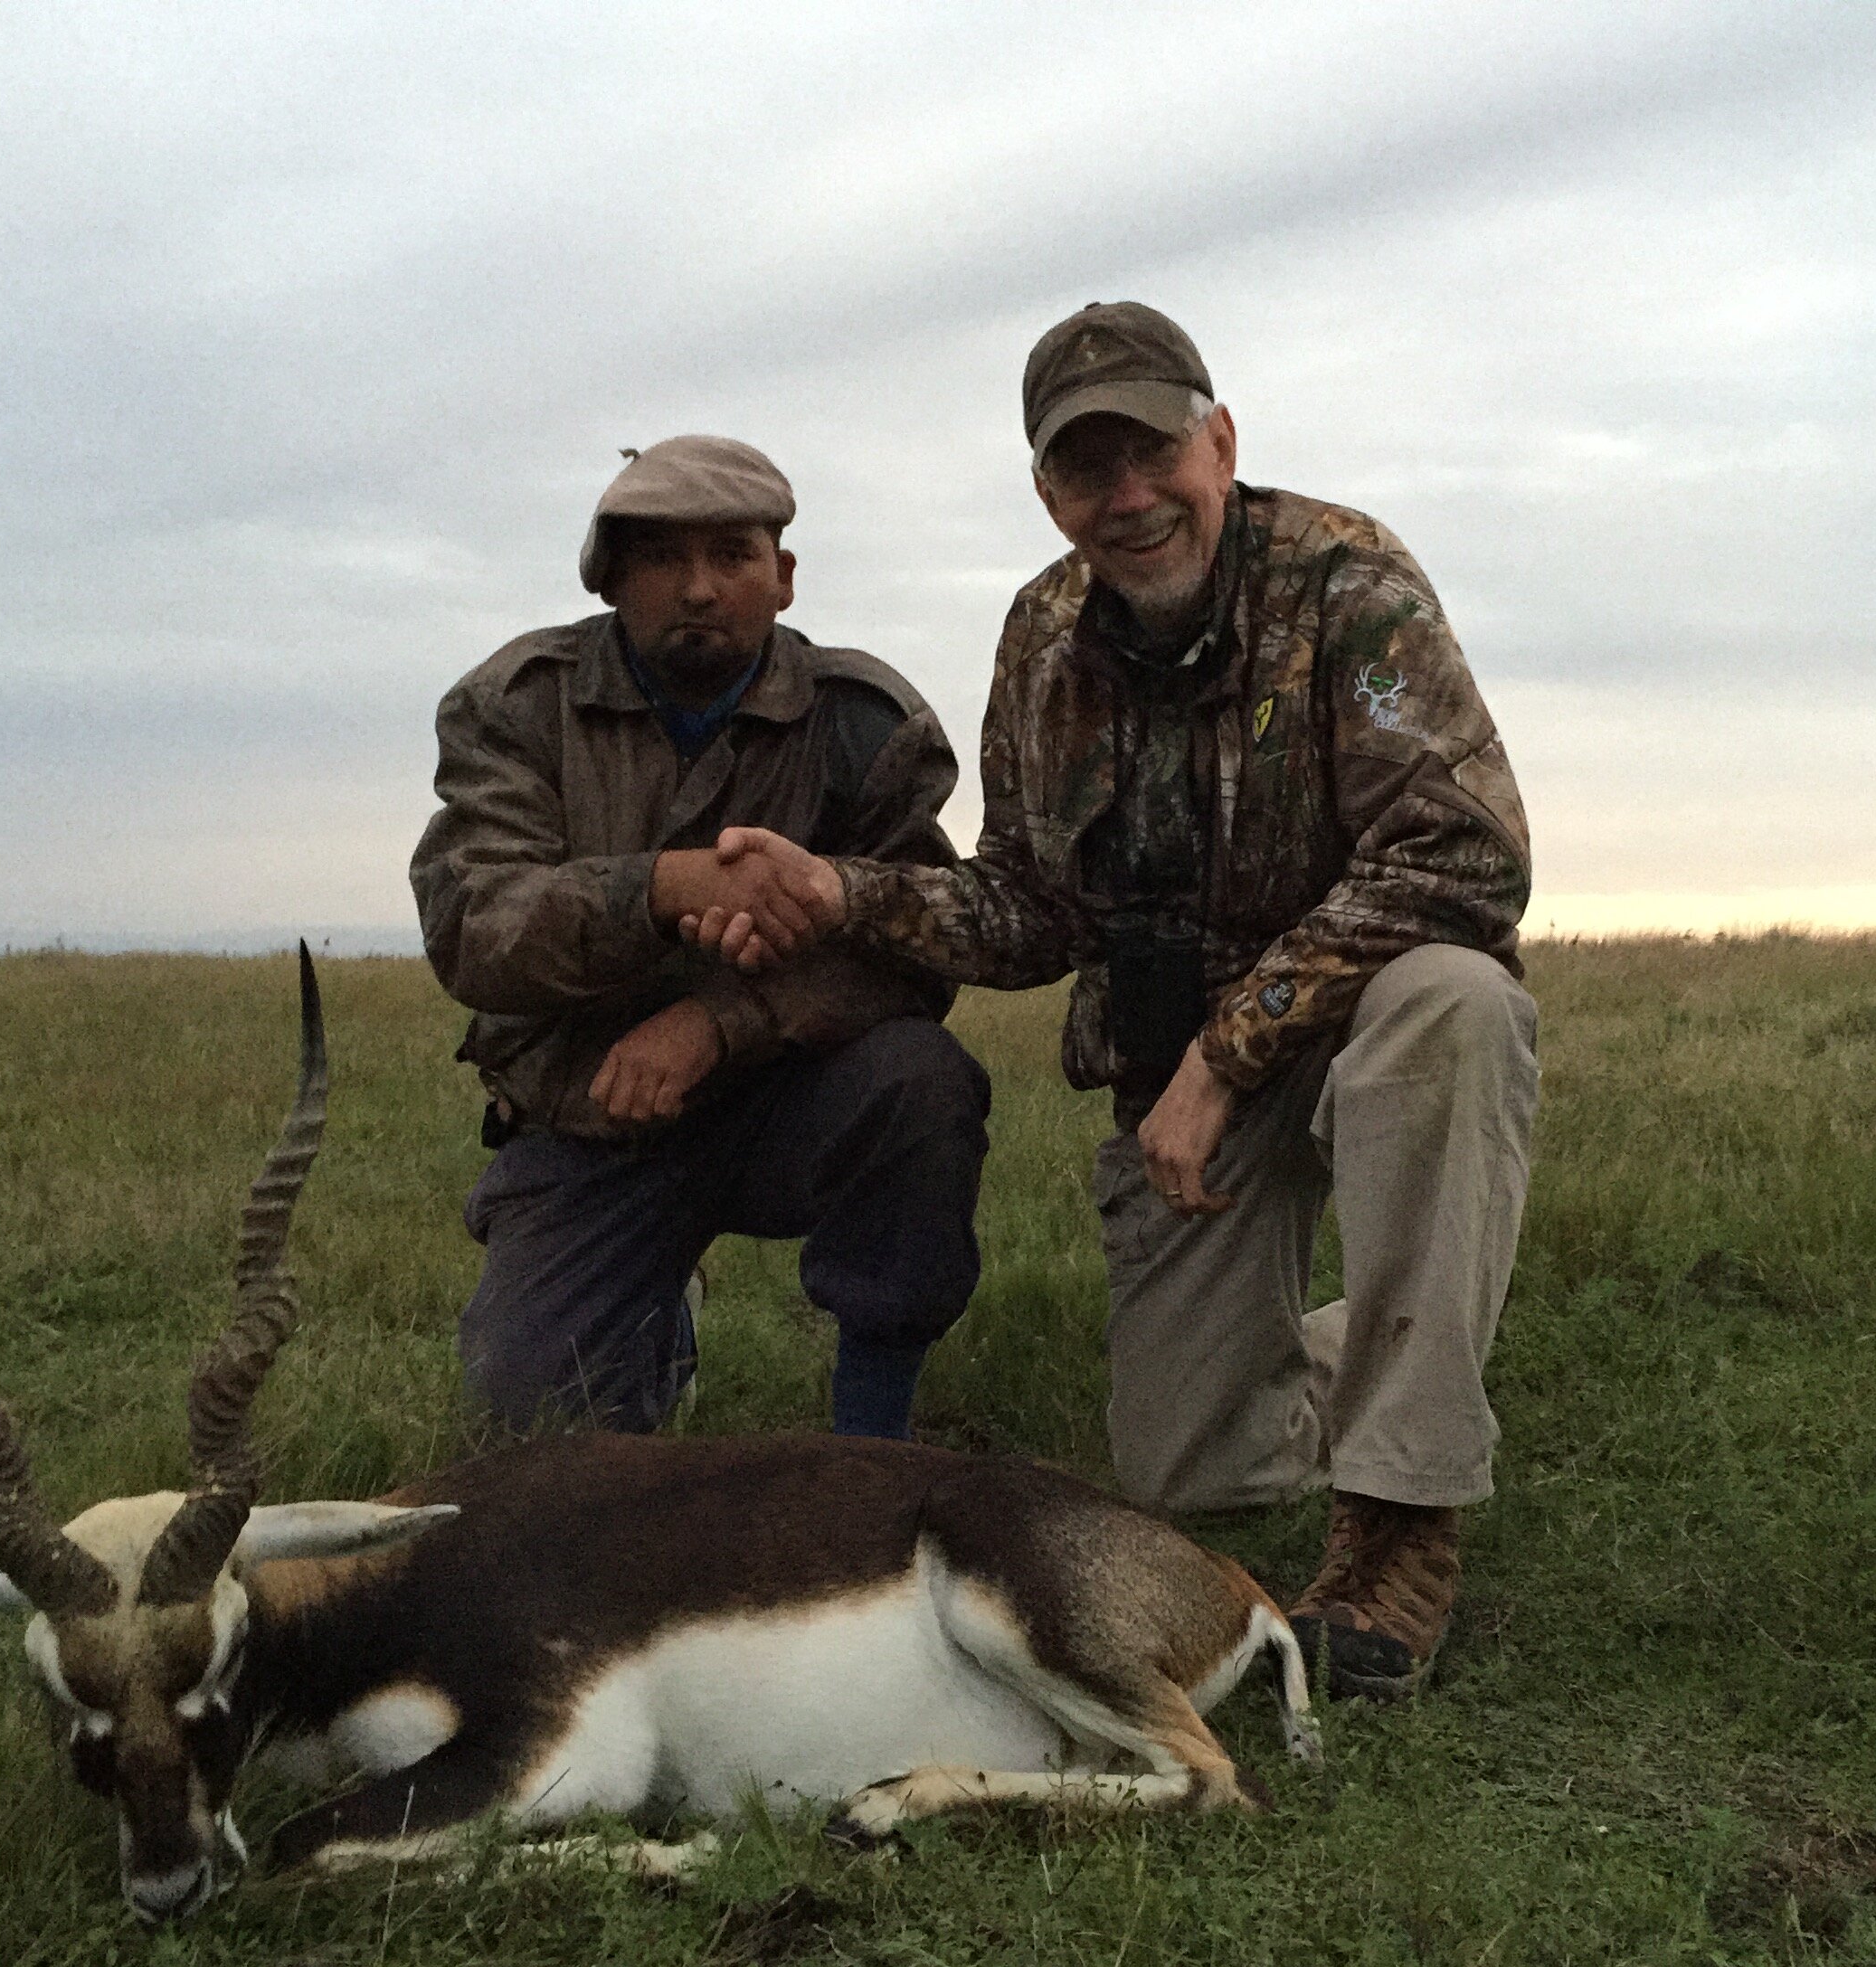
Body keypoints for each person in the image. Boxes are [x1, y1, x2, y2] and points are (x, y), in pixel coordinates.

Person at [687, 307, 1538, 1699]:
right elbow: (1030, 907)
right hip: (1180, 1084)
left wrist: (1230, 1045)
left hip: (1352, 1039)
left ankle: (1399, 1535)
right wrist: (838, 893)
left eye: (1153, 452)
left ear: (1221, 440)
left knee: (1456, 1007)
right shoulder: (1042, 637)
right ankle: (1396, 1344)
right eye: (1089, 473)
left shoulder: (1350, 584)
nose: (1129, 500)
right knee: (1190, 1474)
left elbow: (1470, 856)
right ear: (1048, 493)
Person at [410, 435, 989, 1443]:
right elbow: (473, 930)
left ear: (785, 577)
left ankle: (872, 1448)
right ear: (609, 580)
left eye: (732, 555)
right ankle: (655, 1318)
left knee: (919, 1082)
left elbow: (915, 951)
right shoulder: (515, 707)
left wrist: (718, 1024)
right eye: (661, 560)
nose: (698, 589)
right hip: (591, 1121)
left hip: (784, 1103)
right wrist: (665, 886)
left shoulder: (867, 723)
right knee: (538, 1441)